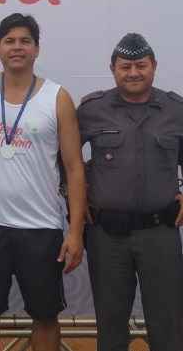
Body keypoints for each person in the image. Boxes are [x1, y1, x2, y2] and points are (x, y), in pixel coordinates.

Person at [0, 13, 86, 351]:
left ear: (36, 49)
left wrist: (75, 232)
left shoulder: (57, 97)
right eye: (9, 41)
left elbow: (75, 167)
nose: (17, 47)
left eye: (24, 41)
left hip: (41, 226)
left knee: (45, 317)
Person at [77, 33, 183, 351]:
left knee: (168, 327)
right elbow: (63, 158)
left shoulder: (176, 109)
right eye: (126, 66)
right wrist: (76, 198)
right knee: (110, 328)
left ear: (154, 67)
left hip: (160, 233)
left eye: (141, 65)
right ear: (113, 69)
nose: (133, 72)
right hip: (107, 236)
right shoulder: (91, 110)